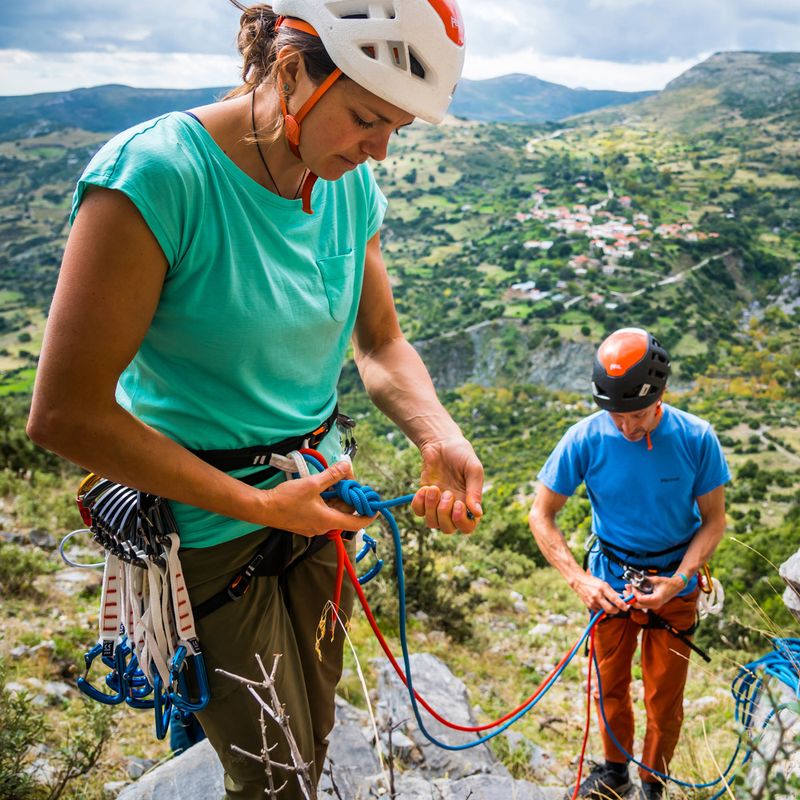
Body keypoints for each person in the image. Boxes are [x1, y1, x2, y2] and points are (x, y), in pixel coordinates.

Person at [27, 1, 483, 797]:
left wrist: (434, 431)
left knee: (311, 731)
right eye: (367, 118)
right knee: (275, 775)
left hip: (316, 505)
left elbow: (380, 344)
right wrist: (258, 506)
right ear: (290, 68)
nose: (379, 148)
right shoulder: (159, 177)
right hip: (207, 529)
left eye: (396, 130)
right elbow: (65, 411)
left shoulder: (346, 184)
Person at [528, 328, 729, 800]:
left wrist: (679, 580)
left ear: (660, 397)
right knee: (610, 686)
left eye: (637, 414)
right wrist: (578, 581)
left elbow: (714, 522)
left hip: (673, 583)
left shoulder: (696, 438)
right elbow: (541, 514)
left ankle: (652, 783)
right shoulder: (586, 437)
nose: (626, 428)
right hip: (609, 581)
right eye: (615, 415)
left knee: (665, 698)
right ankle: (615, 769)